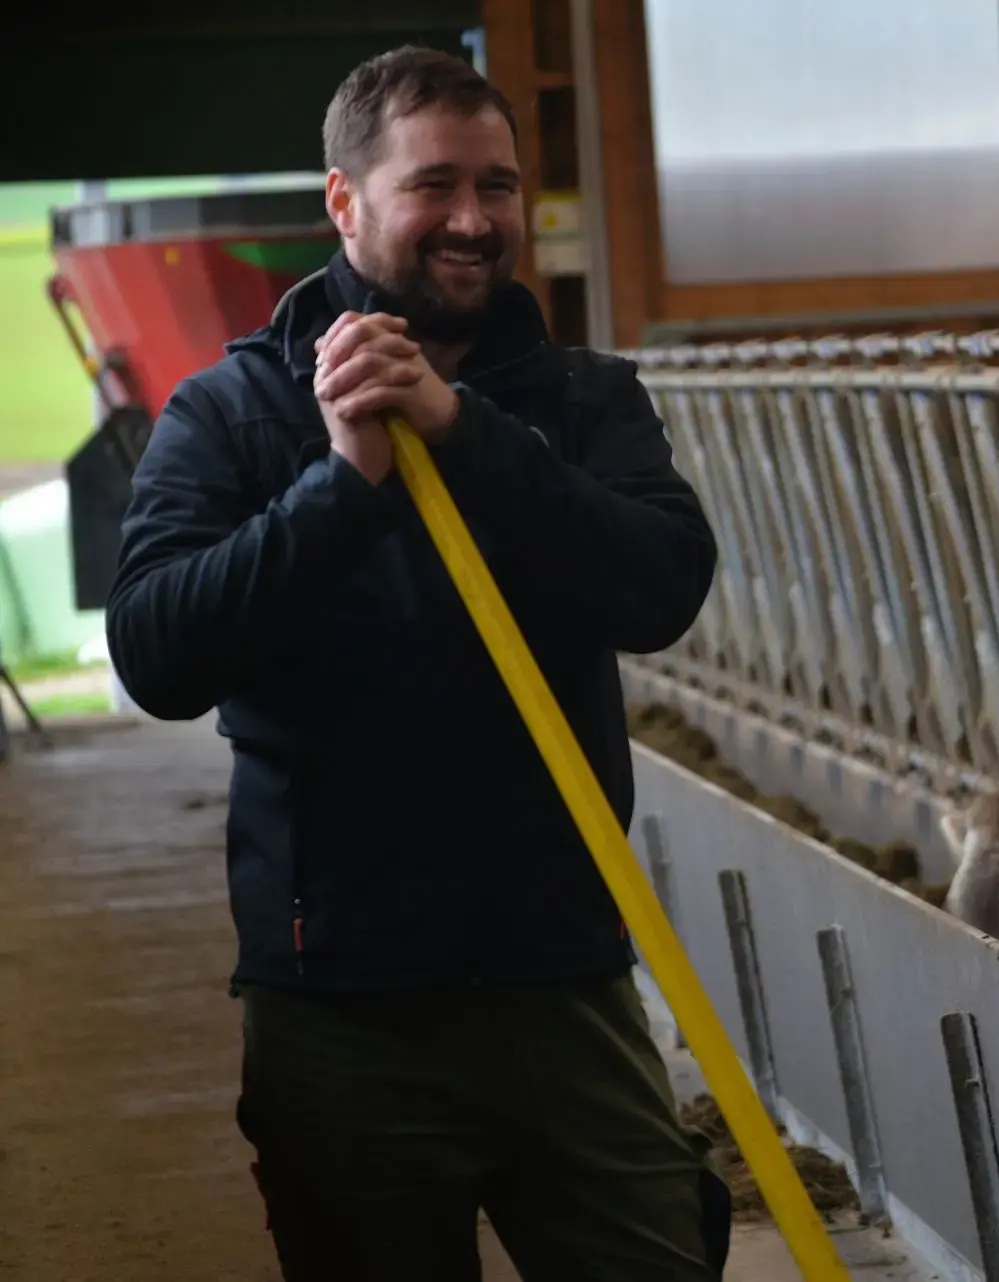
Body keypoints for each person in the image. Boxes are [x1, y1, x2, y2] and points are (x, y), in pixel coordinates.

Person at [104, 44, 729, 1281]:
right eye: (433, 185)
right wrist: (341, 489)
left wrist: (465, 433)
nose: (473, 219)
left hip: (564, 981)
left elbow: (662, 586)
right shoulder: (235, 413)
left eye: (497, 186)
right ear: (344, 201)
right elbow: (158, 653)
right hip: (340, 1004)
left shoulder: (583, 399)